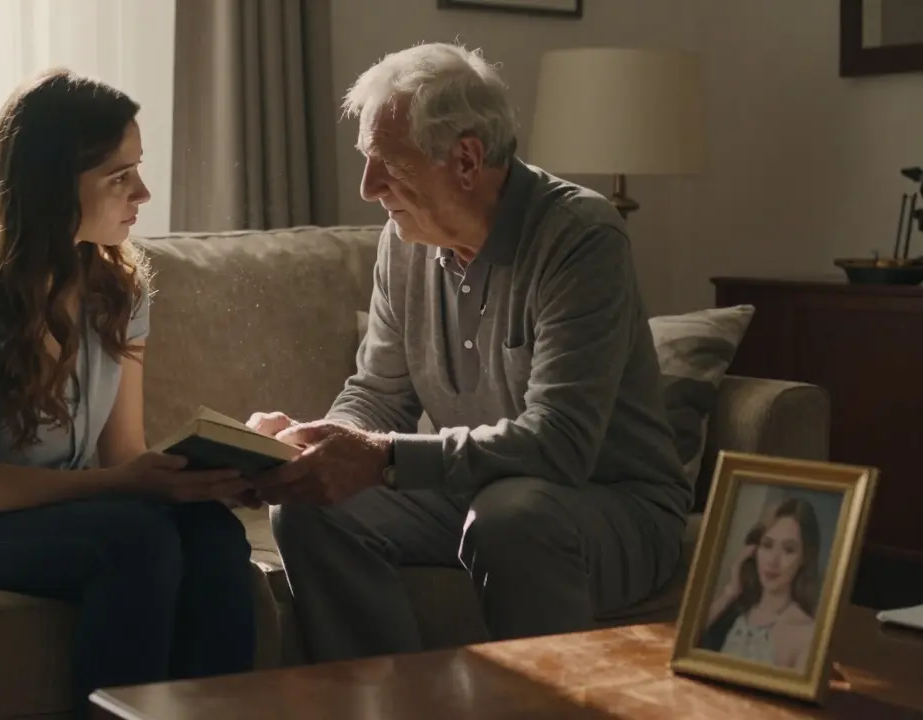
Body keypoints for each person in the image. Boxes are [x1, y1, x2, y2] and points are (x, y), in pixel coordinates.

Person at [246, 42, 692, 662]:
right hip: (477, 491)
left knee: (512, 514)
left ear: (465, 159)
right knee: (309, 510)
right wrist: (319, 444)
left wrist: (381, 458)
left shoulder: (581, 237)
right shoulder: (402, 244)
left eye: (387, 163)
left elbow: (560, 444)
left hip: (611, 503)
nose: (368, 187)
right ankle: (388, 704)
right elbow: (378, 393)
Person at [0, 68, 256, 717]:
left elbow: (121, 456)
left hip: (65, 518)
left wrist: (199, 476)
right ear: (53, 186)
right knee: (133, 540)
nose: (143, 191)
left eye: (139, 168)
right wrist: (128, 486)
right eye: (119, 176)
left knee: (212, 535)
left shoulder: (120, 290)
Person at [699, 498, 821, 670]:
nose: (773, 561)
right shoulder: (734, 611)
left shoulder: (806, 633)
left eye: (788, 549)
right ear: (753, 551)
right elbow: (684, 643)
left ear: (804, 558)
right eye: (767, 545)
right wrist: (730, 592)